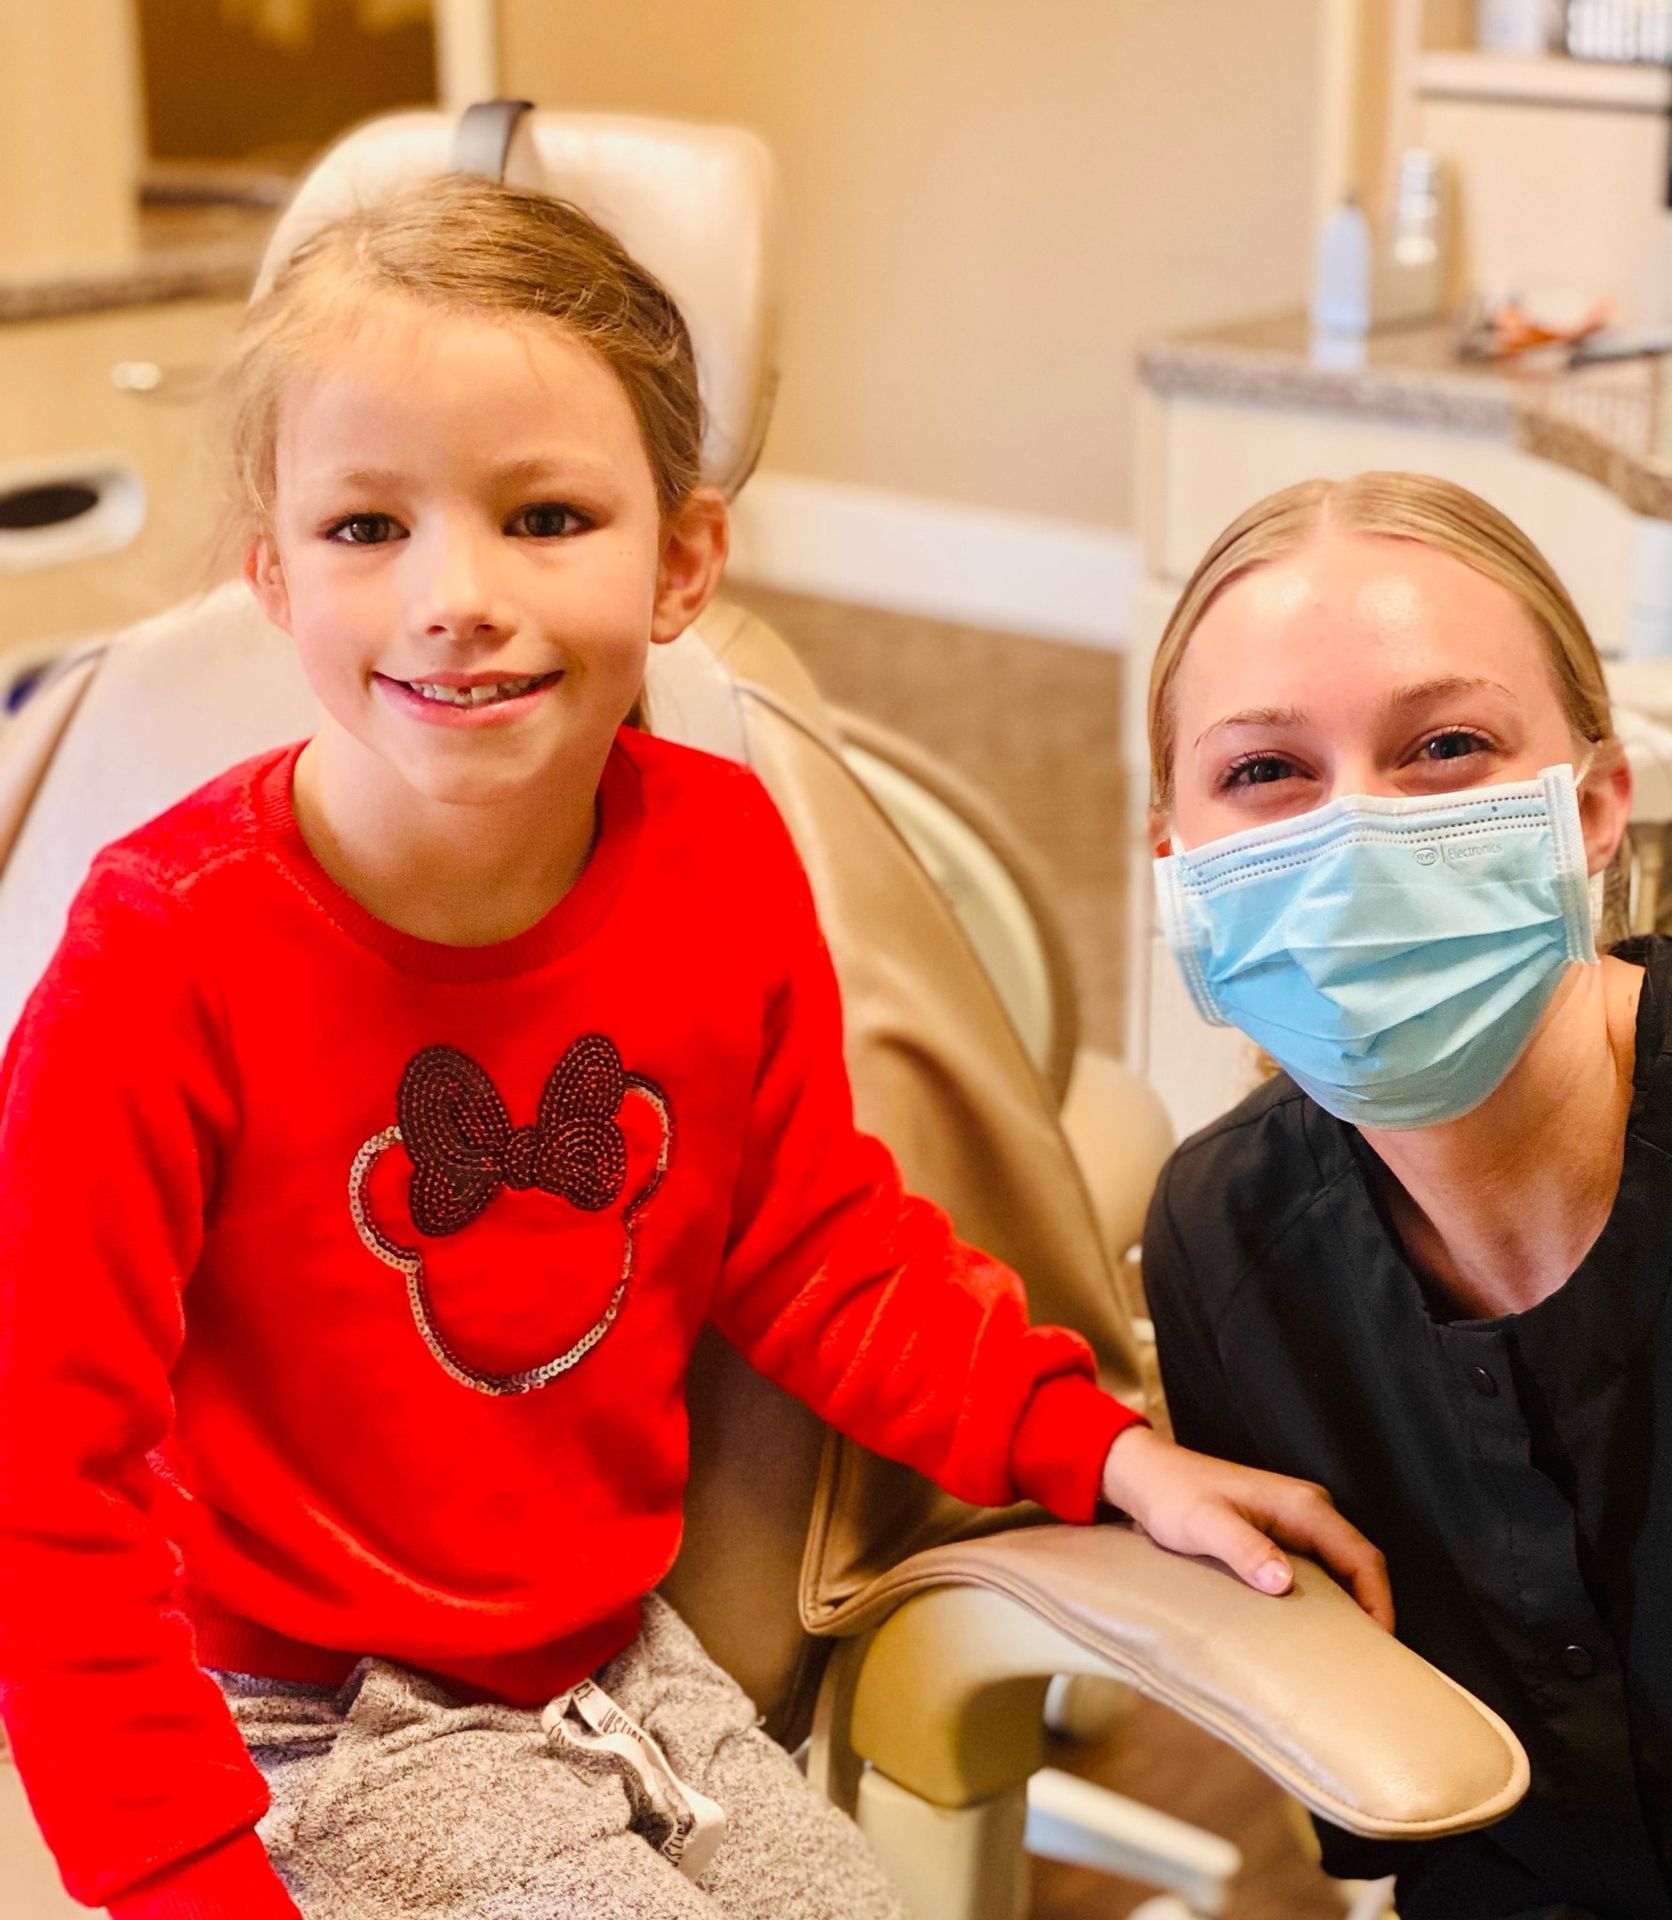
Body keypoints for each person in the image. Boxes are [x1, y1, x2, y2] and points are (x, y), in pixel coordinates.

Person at [0, 179, 1389, 1920]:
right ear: (273, 572)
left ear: (682, 563)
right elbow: (43, 1489)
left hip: (618, 1662)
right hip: (299, 1717)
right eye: (368, 529)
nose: (454, 595)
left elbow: (815, 1245)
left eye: (546, 515)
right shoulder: (162, 961)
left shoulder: (721, 856)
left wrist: (1107, 1451)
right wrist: (187, 1884)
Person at [1143, 472, 1672, 1920]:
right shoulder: (1223, 1238)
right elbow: (1396, 1834)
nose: (1356, 838)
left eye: (1445, 747)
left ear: (1596, 808)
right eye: (1265, 772)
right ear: (1178, 868)